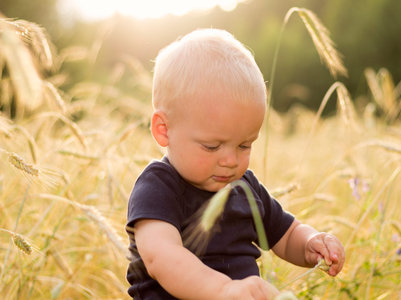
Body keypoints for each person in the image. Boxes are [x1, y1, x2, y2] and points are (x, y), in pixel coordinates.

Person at [126, 28, 345, 300]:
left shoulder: (245, 188)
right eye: (212, 146)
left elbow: (287, 235)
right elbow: (162, 257)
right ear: (163, 129)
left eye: (245, 145)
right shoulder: (158, 186)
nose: (231, 160)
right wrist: (223, 290)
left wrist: (311, 243)